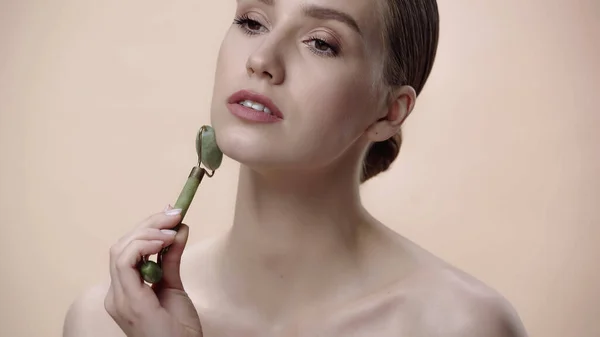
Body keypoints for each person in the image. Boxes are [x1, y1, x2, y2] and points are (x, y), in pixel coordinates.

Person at [63, 0, 529, 336]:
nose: (262, 59)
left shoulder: (460, 326)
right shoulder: (105, 323)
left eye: (322, 43)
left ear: (389, 112)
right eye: (251, 21)